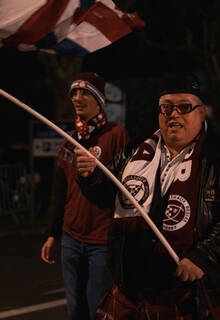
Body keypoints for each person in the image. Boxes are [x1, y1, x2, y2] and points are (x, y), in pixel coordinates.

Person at [75, 73, 220, 320]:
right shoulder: (133, 154)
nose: (174, 114)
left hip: (197, 293)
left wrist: (202, 257)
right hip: (133, 290)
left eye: (184, 107)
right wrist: (90, 177)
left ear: (202, 113)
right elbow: (104, 196)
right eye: (166, 108)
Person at [41, 72, 130, 320]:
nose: (78, 98)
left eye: (85, 92)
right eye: (74, 93)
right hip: (70, 237)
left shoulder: (117, 135)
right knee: (74, 310)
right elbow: (61, 191)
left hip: (101, 239)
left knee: (97, 309)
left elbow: (126, 187)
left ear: (99, 99)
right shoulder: (71, 140)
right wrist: (53, 234)